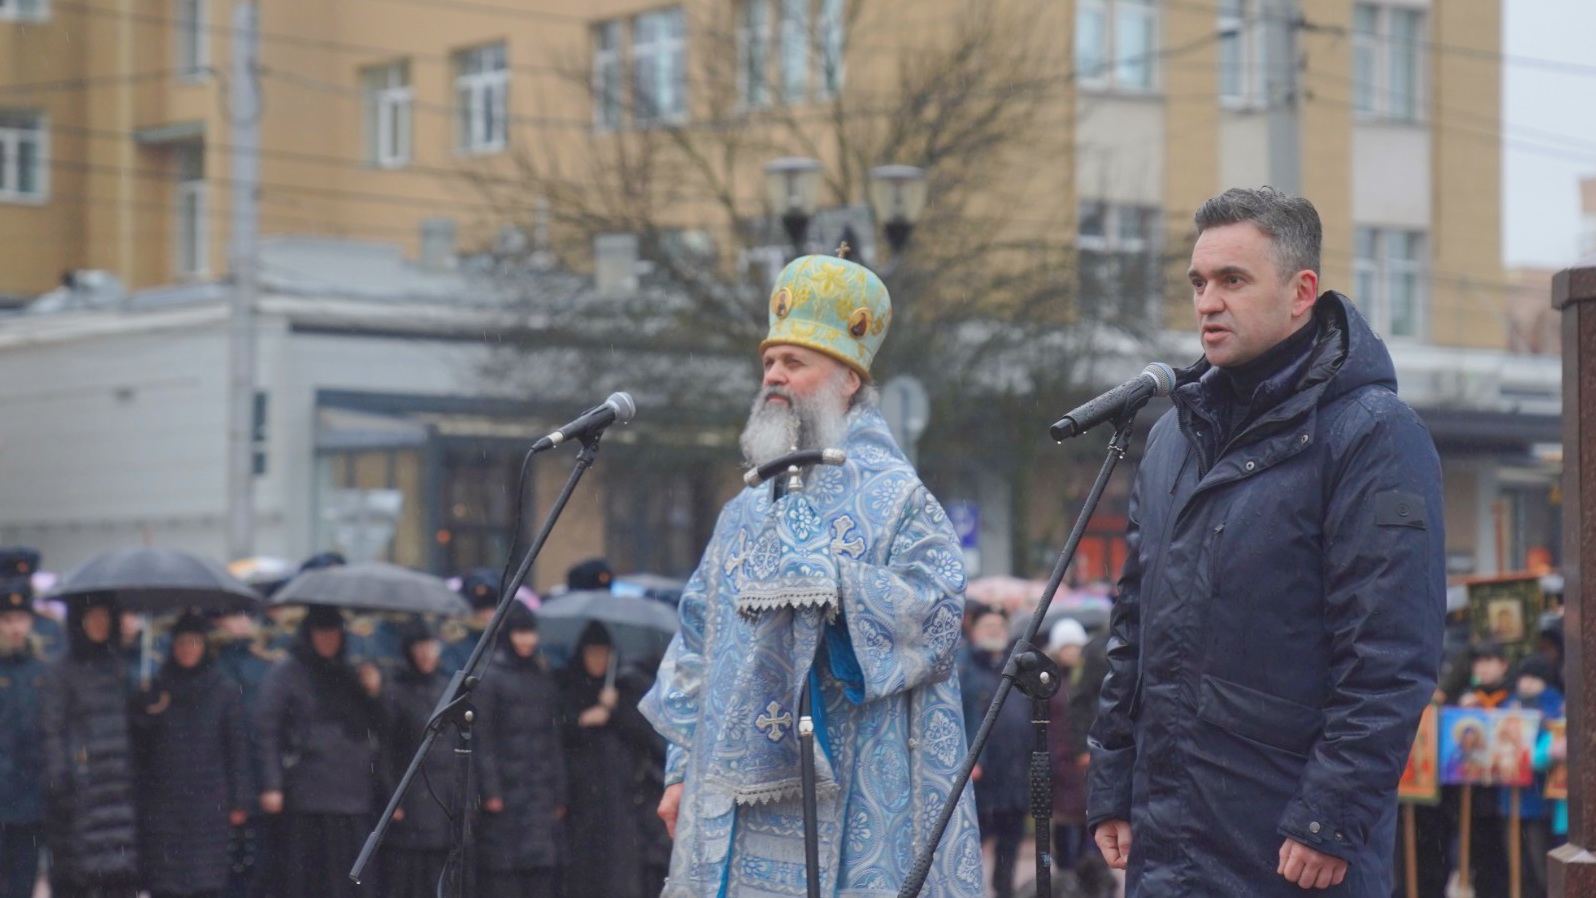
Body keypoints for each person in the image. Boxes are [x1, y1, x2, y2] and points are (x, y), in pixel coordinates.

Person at [1087, 187, 1447, 896]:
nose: (1208, 302)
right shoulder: (1170, 440)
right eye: (1198, 282)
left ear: (1301, 291)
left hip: (1289, 848)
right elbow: (1134, 628)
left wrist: (1330, 817)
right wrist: (1114, 781)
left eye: (1233, 280)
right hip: (1169, 841)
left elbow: (1390, 655)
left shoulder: (1373, 434)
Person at [641, 251, 983, 897]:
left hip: (849, 793)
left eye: (794, 363)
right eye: (769, 362)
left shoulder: (899, 501)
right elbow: (695, 641)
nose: (773, 376)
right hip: (731, 807)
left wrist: (833, 586)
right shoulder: (743, 510)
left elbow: (936, 616)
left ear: (848, 379)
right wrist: (679, 768)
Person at [254, 604, 387, 898]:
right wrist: (272, 784)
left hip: (353, 794)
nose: (329, 639)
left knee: (351, 879)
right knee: (307, 878)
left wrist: (375, 692)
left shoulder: (352, 673)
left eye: (334, 633)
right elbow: (267, 730)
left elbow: (378, 725)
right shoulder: (286, 673)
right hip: (308, 792)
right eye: (322, 633)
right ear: (309, 634)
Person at [132, 612, 252, 898]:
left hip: (209, 800)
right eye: (182, 642)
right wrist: (144, 710)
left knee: (205, 882)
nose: (188, 649)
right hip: (164, 800)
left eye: (194, 642)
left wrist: (239, 799)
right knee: (166, 882)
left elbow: (237, 747)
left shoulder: (222, 689)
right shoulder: (158, 687)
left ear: (204, 647)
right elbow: (141, 747)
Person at [41, 593, 141, 898]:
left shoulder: (121, 666)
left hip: (119, 785)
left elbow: (135, 724)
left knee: (120, 872)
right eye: (91, 618)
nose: (99, 625)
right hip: (83, 787)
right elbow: (52, 729)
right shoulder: (62, 671)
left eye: (104, 618)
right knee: (81, 872)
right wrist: (61, 779)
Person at [557, 622, 655, 898]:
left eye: (604, 654)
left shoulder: (625, 687)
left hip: (618, 792)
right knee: (584, 862)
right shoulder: (568, 685)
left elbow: (644, 736)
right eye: (592, 654)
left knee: (618, 864)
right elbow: (557, 731)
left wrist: (614, 710)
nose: (598, 661)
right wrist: (583, 719)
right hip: (580, 792)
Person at [474, 602, 565, 898]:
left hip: (538, 789)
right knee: (504, 873)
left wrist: (559, 791)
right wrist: (491, 791)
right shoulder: (491, 677)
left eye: (530, 633)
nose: (527, 641)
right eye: (520, 633)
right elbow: (482, 738)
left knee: (539, 873)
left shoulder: (542, 677)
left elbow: (553, 739)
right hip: (506, 792)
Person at [957, 606, 1030, 898]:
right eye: (987, 625)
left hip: (1014, 774)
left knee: (1009, 846)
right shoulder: (963, 669)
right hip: (980, 776)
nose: (994, 631)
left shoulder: (1015, 667)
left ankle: (1004, 892)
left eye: (999, 626)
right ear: (973, 630)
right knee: (972, 843)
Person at [383, 621, 458, 898]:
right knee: (409, 878)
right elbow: (386, 750)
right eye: (420, 647)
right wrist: (393, 797)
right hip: (411, 796)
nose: (426, 654)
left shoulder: (448, 687)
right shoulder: (396, 691)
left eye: (431, 646)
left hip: (444, 795)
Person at [1499, 653, 1564, 898]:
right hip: (1510, 795)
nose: (1526, 682)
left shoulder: (1555, 707)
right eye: (1523, 676)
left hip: (1538, 798)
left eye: (1533, 677)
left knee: (1540, 860)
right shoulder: (1509, 704)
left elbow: (1542, 754)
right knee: (1515, 861)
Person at [0, 550, 45, 898]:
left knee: (22, 884)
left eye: (21, 618)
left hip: (31, 803)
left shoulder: (43, 671)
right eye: (7, 618)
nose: (15, 627)